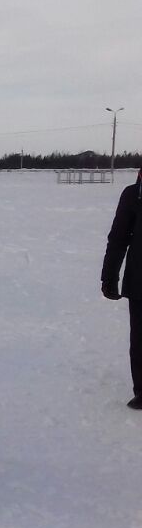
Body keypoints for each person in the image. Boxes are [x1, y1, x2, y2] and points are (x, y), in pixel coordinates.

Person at [101, 169, 142, 410]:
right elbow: (118, 238)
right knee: (140, 339)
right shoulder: (133, 195)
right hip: (140, 281)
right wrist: (109, 277)